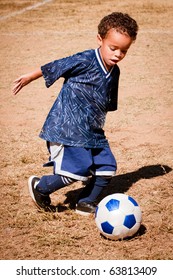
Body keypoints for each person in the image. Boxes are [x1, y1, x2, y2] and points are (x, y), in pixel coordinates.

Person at [12, 12, 138, 216]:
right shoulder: (85, 59)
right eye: (113, 48)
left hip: (93, 131)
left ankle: (85, 201)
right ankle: (40, 186)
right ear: (100, 39)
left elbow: (107, 102)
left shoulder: (115, 72)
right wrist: (29, 77)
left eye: (124, 51)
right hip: (67, 127)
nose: (117, 54)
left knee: (107, 167)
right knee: (76, 170)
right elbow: (56, 66)